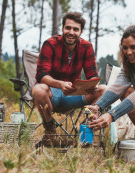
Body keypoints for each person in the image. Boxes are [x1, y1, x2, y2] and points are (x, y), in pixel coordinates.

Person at [32, 12, 106, 142]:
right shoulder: (50, 44)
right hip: (51, 94)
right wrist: (60, 84)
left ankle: (84, 129)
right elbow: (41, 75)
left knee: (103, 89)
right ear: (62, 29)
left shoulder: (87, 47)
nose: (71, 32)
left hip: (73, 94)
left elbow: (92, 75)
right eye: (68, 28)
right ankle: (50, 132)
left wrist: (93, 85)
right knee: (38, 89)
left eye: (75, 29)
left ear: (81, 31)